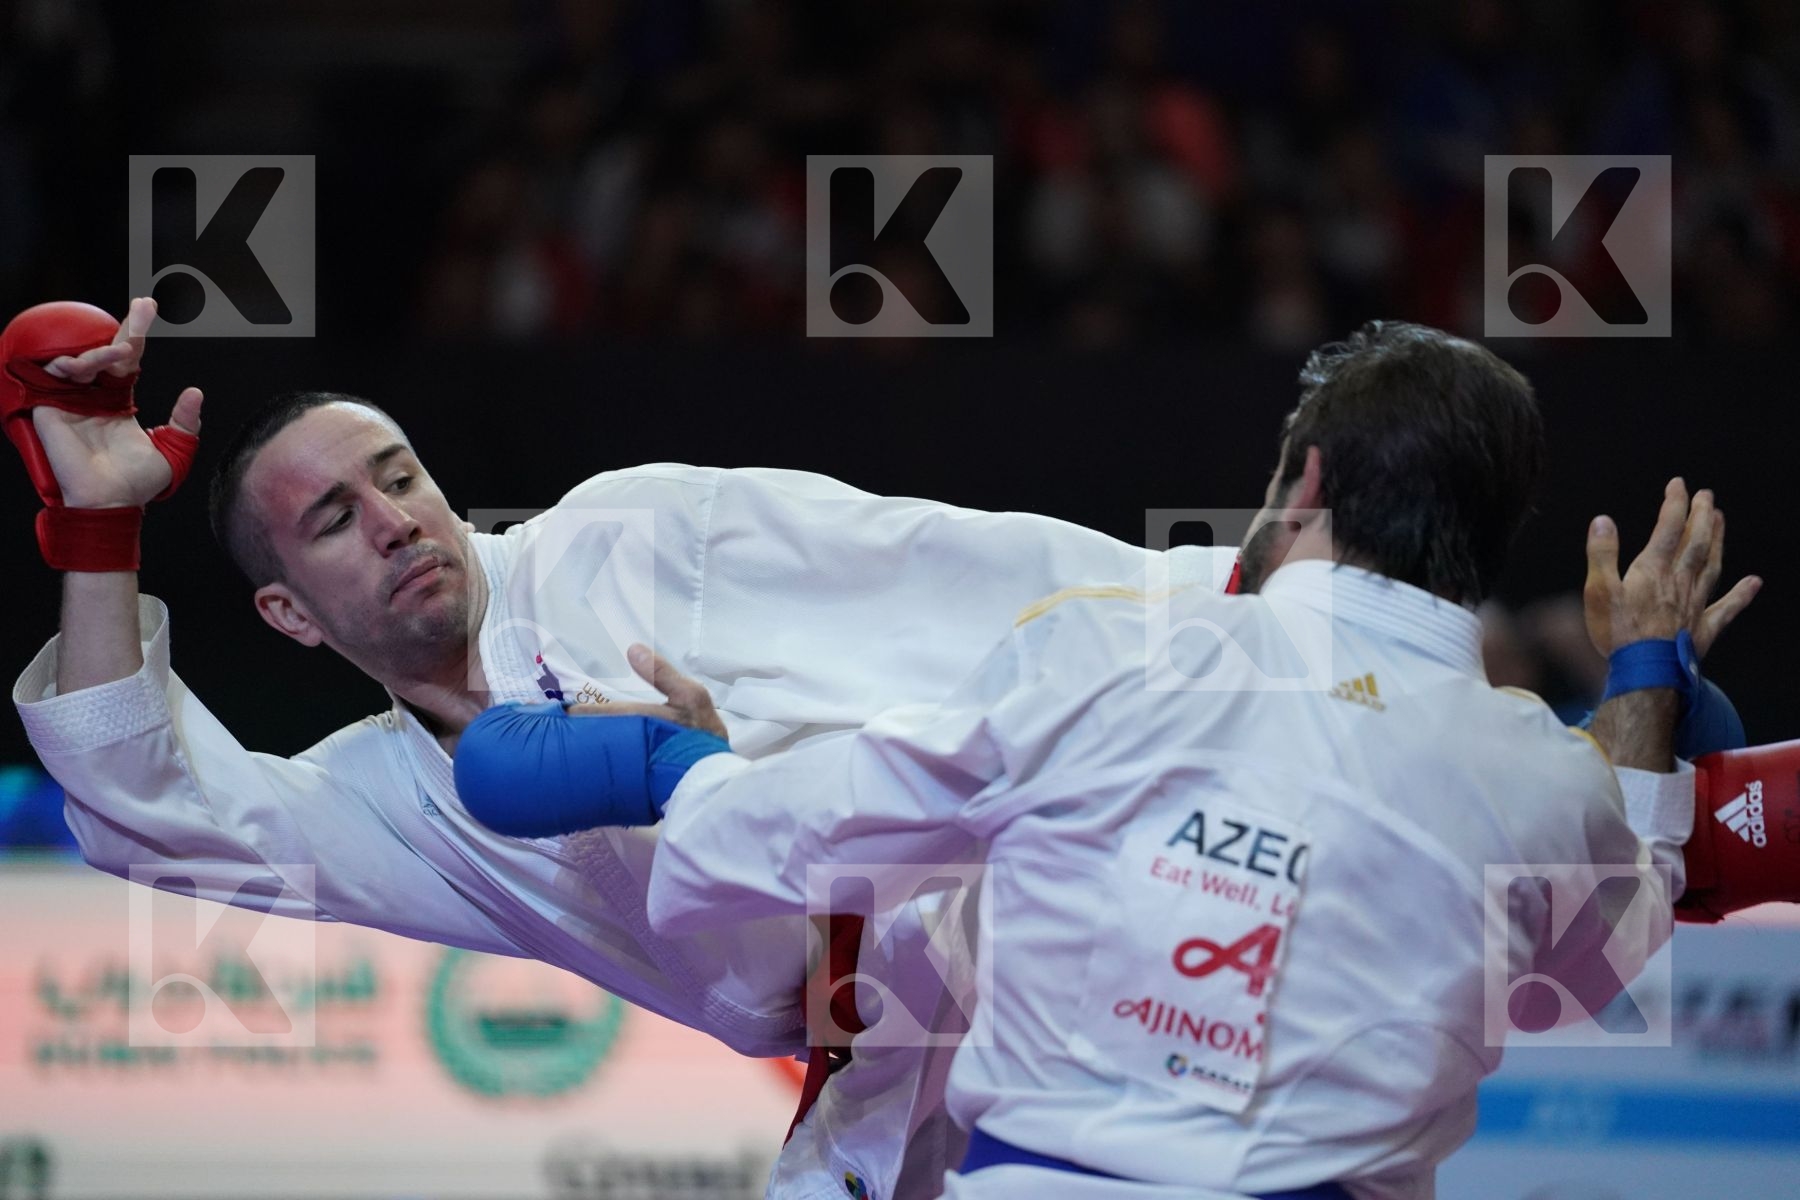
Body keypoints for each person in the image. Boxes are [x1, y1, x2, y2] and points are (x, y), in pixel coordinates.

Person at [453, 322, 1787, 1199]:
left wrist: (673, 766)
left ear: (1304, 483)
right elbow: (1601, 956)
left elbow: (787, 840)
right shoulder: (1538, 785)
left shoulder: (1110, 656)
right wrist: (1645, 682)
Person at [4, 297, 1240, 1200]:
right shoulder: (384, 795)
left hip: (1024, 962)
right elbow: (145, 807)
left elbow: (948, 572)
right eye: (335, 520)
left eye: (401, 479)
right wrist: (99, 533)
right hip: (874, 1077)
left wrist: (1256, 601)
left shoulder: (632, 542)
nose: (394, 525)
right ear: (288, 613)